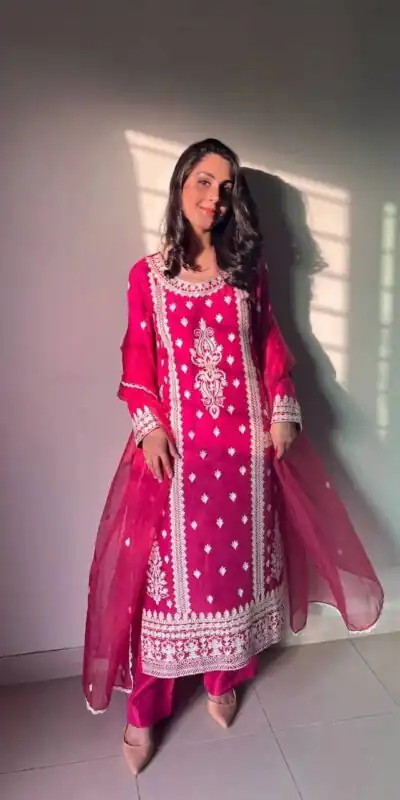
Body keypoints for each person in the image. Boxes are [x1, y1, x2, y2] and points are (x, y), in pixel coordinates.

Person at [83, 139, 383, 775]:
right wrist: (149, 429)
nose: (213, 198)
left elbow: (270, 344)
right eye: (203, 181)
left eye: (225, 187)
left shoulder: (248, 273)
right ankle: (146, 709)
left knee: (235, 577)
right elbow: (137, 360)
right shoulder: (149, 275)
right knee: (169, 590)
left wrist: (283, 409)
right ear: (180, 185)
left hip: (245, 456)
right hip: (178, 456)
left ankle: (224, 677)